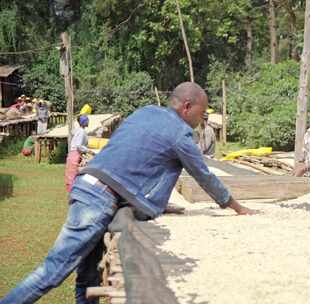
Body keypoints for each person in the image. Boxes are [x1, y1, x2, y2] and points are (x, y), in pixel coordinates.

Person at [0, 82, 257, 304]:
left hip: (88, 185)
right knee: (52, 271)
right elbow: (204, 176)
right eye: (202, 112)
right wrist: (236, 206)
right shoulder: (180, 133)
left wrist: (149, 199)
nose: (202, 119)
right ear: (187, 107)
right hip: (99, 199)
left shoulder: (146, 112)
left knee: (87, 274)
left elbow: (135, 159)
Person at [65, 115, 94, 192]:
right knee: (75, 173)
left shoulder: (79, 130)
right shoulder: (81, 132)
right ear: (84, 122)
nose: (88, 122)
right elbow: (78, 145)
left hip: (74, 154)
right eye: (87, 120)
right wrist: (88, 151)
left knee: (73, 173)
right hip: (76, 154)